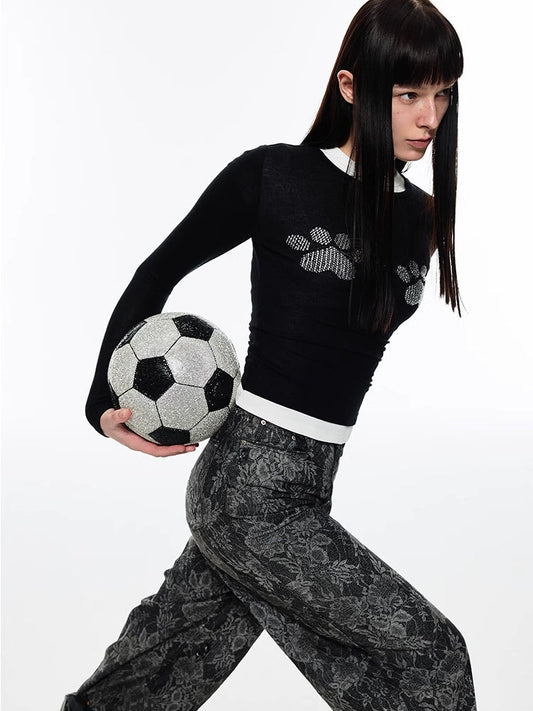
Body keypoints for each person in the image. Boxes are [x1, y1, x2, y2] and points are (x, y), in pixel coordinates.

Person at [61, 0, 478, 709]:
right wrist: (100, 403)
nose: (428, 116)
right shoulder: (275, 176)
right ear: (351, 87)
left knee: (154, 673)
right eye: (408, 93)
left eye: (442, 94)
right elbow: (157, 272)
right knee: (431, 654)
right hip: (249, 486)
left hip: (312, 481)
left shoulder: (422, 217)